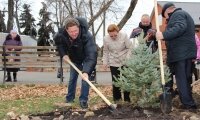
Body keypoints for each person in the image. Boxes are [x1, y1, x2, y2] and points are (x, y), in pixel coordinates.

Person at [156, 2, 197, 109]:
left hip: (181, 54)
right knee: (185, 79)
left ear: (167, 11)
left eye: (165, 16)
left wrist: (163, 34)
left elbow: (179, 27)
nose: (166, 19)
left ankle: (189, 105)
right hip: (183, 53)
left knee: (182, 79)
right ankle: (188, 101)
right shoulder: (183, 14)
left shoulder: (177, 14)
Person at [54, 17, 97, 109]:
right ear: (66, 30)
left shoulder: (87, 36)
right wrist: (64, 54)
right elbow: (59, 43)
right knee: (72, 78)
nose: (74, 33)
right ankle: (69, 98)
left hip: (86, 58)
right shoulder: (61, 35)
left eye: (76, 30)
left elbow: (91, 55)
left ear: (79, 27)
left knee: (85, 79)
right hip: (74, 59)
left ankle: (83, 100)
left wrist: (86, 71)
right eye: (71, 31)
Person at [102, 24, 132, 102]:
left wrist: (128, 59)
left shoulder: (124, 36)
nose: (113, 37)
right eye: (111, 36)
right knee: (115, 81)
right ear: (108, 34)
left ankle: (127, 99)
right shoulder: (105, 39)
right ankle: (117, 99)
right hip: (113, 61)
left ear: (118, 32)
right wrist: (105, 62)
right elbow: (105, 51)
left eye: (115, 35)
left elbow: (130, 48)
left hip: (125, 60)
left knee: (126, 80)